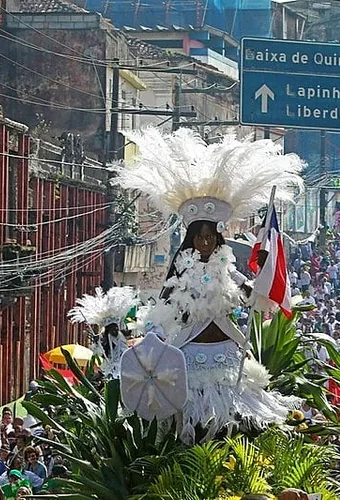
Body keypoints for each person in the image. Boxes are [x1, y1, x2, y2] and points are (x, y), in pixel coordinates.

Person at [116, 127, 303, 445]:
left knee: (240, 415)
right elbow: (166, 308)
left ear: (217, 239)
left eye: (209, 236)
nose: (204, 242)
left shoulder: (228, 270)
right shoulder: (180, 272)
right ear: (191, 240)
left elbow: (252, 299)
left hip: (229, 349)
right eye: (199, 236)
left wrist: (264, 276)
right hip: (189, 347)